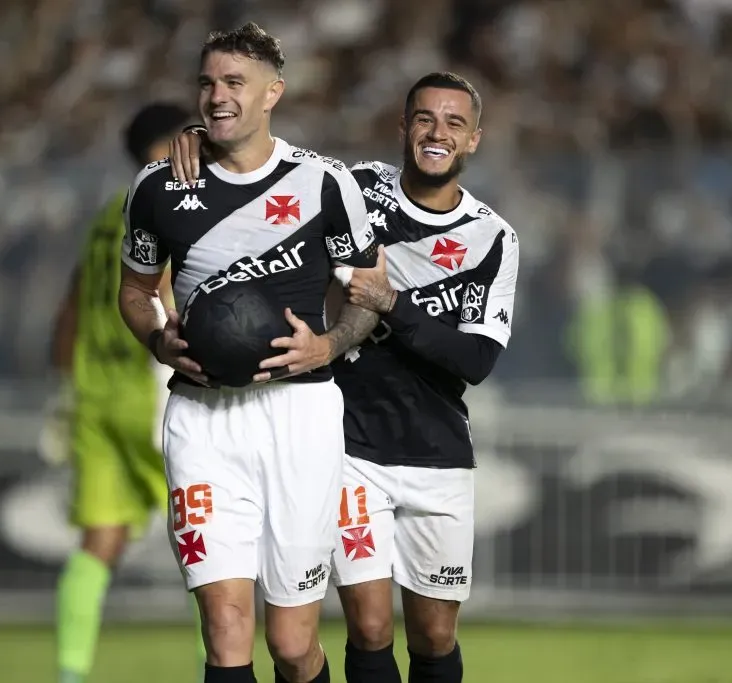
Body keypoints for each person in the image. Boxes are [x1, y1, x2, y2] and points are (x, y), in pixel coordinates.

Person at [169, 71, 520, 683]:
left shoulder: (494, 238)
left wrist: (391, 303)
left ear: (473, 141)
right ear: (404, 126)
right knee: (370, 626)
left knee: (435, 636)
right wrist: (213, 141)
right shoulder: (353, 188)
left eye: (454, 123)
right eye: (424, 119)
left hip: (436, 450)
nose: (437, 133)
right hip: (349, 443)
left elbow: (476, 360)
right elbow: (266, 173)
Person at [118, 23, 381, 683]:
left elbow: (373, 291)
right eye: (206, 82)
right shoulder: (158, 186)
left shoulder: (325, 183)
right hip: (202, 420)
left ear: (272, 94)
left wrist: (331, 340)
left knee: (293, 643)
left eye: (234, 81)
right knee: (226, 625)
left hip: (299, 417)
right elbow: (134, 290)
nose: (216, 96)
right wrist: (157, 336)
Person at [45, 101, 206, 683]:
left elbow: (68, 312)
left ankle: (70, 672)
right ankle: (219, 666)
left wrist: (64, 392)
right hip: (153, 390)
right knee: (207, 539)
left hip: (94, 398)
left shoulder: (107, 216)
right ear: (166, 146)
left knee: (98, 542)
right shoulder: (167, 204)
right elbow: (167, 291)